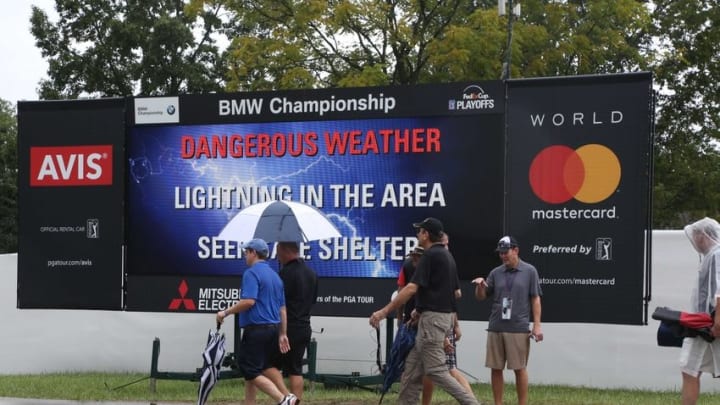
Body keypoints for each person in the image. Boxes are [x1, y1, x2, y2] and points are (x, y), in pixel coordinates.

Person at [370, 217, 479, 405]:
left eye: (420, 231)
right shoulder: (446, 256)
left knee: (437, 371)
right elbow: (451, 294)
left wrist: (383, 312)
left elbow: (412, 288)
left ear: (426, 234)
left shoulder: (430, 256)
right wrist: (419, 311)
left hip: (432, 322)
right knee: (411, 373)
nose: (417, 234)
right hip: (433, 319)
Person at [216, 238, 298, 405]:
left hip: (256, 330)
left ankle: (283, 399)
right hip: (273, 330)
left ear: (254, 253)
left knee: (249, 369)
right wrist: (282, 333)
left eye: (246, 252)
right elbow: (282, 309)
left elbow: (249, 302)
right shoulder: (276, 277)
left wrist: (225, 312)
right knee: (255, 371)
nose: (245, 256)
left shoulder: (251, 273)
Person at [473, 235, 543, 405]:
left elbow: (535, 299)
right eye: (500, 253)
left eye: (506, 252)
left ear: (516, 250)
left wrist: (537, 326)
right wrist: (480, 286)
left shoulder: (529, 271)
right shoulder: (495, 273)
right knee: (495, 368)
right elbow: (481, 297)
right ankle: (498, 403)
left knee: (519, 368)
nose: (503, 256)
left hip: (518, 327)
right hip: (496, 326)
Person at [679, 217, 720, 405]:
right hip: (704, 323)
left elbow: (719, 289)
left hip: (707, 324)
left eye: (695, 236)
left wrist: (717, 320)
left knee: (689, 369)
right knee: (690, 369)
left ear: (702, 236)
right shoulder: (712, 255)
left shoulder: (716, 255)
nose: (694, 240)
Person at [276, 241, 318, 402]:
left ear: (286, 251)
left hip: (287, 329)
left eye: (278, 252)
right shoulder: (312, 273)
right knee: (296, 369)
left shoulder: (284, 274)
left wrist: (282, 332)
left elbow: (279, 303)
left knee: (267, 366)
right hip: (305, 327)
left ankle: (287, 399)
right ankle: (294, 401)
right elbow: (312, 300)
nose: (277, 256)